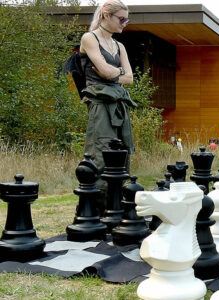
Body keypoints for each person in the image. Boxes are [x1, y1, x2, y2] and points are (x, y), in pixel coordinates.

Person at [80, 0, 136, 214]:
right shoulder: (89, 38)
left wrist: (115, 73)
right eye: (121, 19)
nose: (125, 24)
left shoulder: (119, 46)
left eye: (126, 19)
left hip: (119, 104)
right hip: (100, 104)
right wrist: (117, 72)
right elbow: (105, 72)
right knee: (101, 154)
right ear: (105, 14)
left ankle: (117, 209)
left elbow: (129, 78)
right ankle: (98, 212)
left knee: (122, 154)